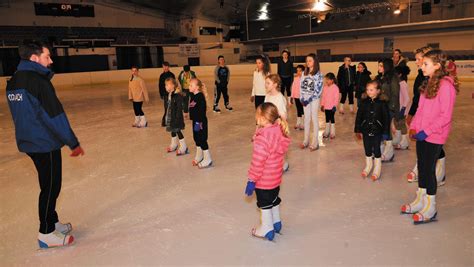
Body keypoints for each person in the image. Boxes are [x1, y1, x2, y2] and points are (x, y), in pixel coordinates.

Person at [6, 40, 84, 248]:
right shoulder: (39, 82)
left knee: (47, 184)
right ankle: (46, 233)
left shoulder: (14, 81)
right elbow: (55, 116)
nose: (50, 61)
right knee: (50, 187)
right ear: (34, 58)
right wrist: (72, 142)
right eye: (47, 57)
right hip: (44, 142)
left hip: (28, 140)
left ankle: (52, 222)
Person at [401, 49, 458, 224]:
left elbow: (445, 116)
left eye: (425, 64)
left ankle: (430, 206)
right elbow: (420, 109)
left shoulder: (446, 86)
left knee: (428, 170)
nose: (421, 66)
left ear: (437, 65)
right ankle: (420, 201)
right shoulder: (428, 83)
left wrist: (426, 131)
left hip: (435, 135)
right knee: (422, 168)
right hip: (421, 133)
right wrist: (415, 127)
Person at [245, 102, 291, 241]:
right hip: (276, 179)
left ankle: (267, 228)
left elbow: (257, 163)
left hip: (264, 181)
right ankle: (276, 223)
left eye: (257, 114)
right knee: (274, 199)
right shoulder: (279, 131)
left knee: (264, 204)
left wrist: (252, 180)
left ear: (263, 119)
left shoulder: (262, 138)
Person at [354, 80, 390, 181]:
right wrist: (358, 129)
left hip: (377, 130)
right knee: (367, 148)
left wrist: (386, 132)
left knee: (377, 149)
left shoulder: (382, 103)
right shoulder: (363, 102)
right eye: (367, 90)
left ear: (378, 91)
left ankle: (377, 168)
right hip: (366, 129)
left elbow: (386, 118)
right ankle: (368, 166)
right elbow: (359, 116)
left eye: (371, 90)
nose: (369, 92)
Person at [376, 58, 400, 162]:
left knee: (386, 129)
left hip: (389, 108)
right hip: (380, 107)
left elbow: (395, 95)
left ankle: (389, 152)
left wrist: (392, 110)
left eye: (381, 66)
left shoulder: (393, 78)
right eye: (379, 65)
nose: (379, 68)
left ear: (386, 67)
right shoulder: (380, 78)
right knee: (380, 129)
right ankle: (380, 151)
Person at [264, 74, 289, 172]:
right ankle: (273, 163)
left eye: (268, 83)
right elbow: (265, 111)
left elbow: (283, 116)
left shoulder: (280, 98)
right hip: (268, 127)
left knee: (279, 148)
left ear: (275, 84)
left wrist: (282, 130)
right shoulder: (267, 96)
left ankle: (284, 164)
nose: (266, 85)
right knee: (269, 148)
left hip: (277, 128)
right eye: (265, 83)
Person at [300, 53, 323, 151]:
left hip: (314, 100)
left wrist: (310, 98)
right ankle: (305, 140)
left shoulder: (318, 75)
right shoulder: (304, 73)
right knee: (306, 119)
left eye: (310, 60)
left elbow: (319, 90)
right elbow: (301, 86)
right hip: (305, 100)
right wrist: (302, 98)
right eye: (307, 61)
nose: (308, 62)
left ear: (315, 62)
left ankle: (315, 142)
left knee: (314, 119)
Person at [189, 78, 213, 168]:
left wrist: (198, 123)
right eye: (189, 85)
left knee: (202, 139)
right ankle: (199, 156)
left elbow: (202, 111)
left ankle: (208, 158)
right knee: (196, 138)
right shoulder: (193, 95)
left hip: (200, 122)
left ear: (197, 87)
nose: (189, 87)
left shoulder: (200, 97)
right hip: (195, 121)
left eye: (191, 85)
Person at [164, 77, 188, 155]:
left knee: (177, 130)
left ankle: (184, 146)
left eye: (167, 85)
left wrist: (177, 118)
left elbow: (179, 108)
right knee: (172, 130)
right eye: (165, 85)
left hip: (176, 117)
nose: (166, 87)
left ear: (173, 85)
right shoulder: (170, 94)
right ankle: (174, 144)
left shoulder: (177, 95)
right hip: (171, 116)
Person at [392, 65, 411, 150]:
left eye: (394, 74)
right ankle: (398, 138)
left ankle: (405, 141)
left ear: (399, 75)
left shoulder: (403, 84)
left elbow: (407, 99)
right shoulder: (398, 84)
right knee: (397, 123)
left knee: (402, 124)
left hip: (402, 109)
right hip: (398, 108)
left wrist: (402, 110)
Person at [320, 72, 340, 139]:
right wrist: (322, 105)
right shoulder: (325, 87)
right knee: (327, 119)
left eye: (328, 79)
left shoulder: (335, 88)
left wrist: (335, 106)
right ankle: (327, 132)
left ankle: (332, 132)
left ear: (332, 80)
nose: (326, 81)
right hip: (326, 107)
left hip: (332, 107)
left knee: (332, 119)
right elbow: (323, 97)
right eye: (326, 79)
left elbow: (336, 98)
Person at [158, 62, 175, 127]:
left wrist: (174, 93)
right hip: (165, 94)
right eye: (163, 66)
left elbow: (174, 84)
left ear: (168, 67)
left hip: (171, 93)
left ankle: (170, 120)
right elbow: (160, 85)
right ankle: (164, 121)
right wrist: (161, 94)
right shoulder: (161, 75)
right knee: (166, 107)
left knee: (171, 107)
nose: (165, 68)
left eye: (166, 66)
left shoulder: (171, 75)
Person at [290, 64, 305, 130]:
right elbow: (293, 88)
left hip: (302, 98)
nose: (298, 72)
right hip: (296, 97)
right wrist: (291, 97)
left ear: (303, 71)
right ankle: (298, 122)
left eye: (300, 71)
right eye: (297, 71)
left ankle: (303, 123)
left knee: (303, 110)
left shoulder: (305, 79)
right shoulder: (295, 78)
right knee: (298, 110)